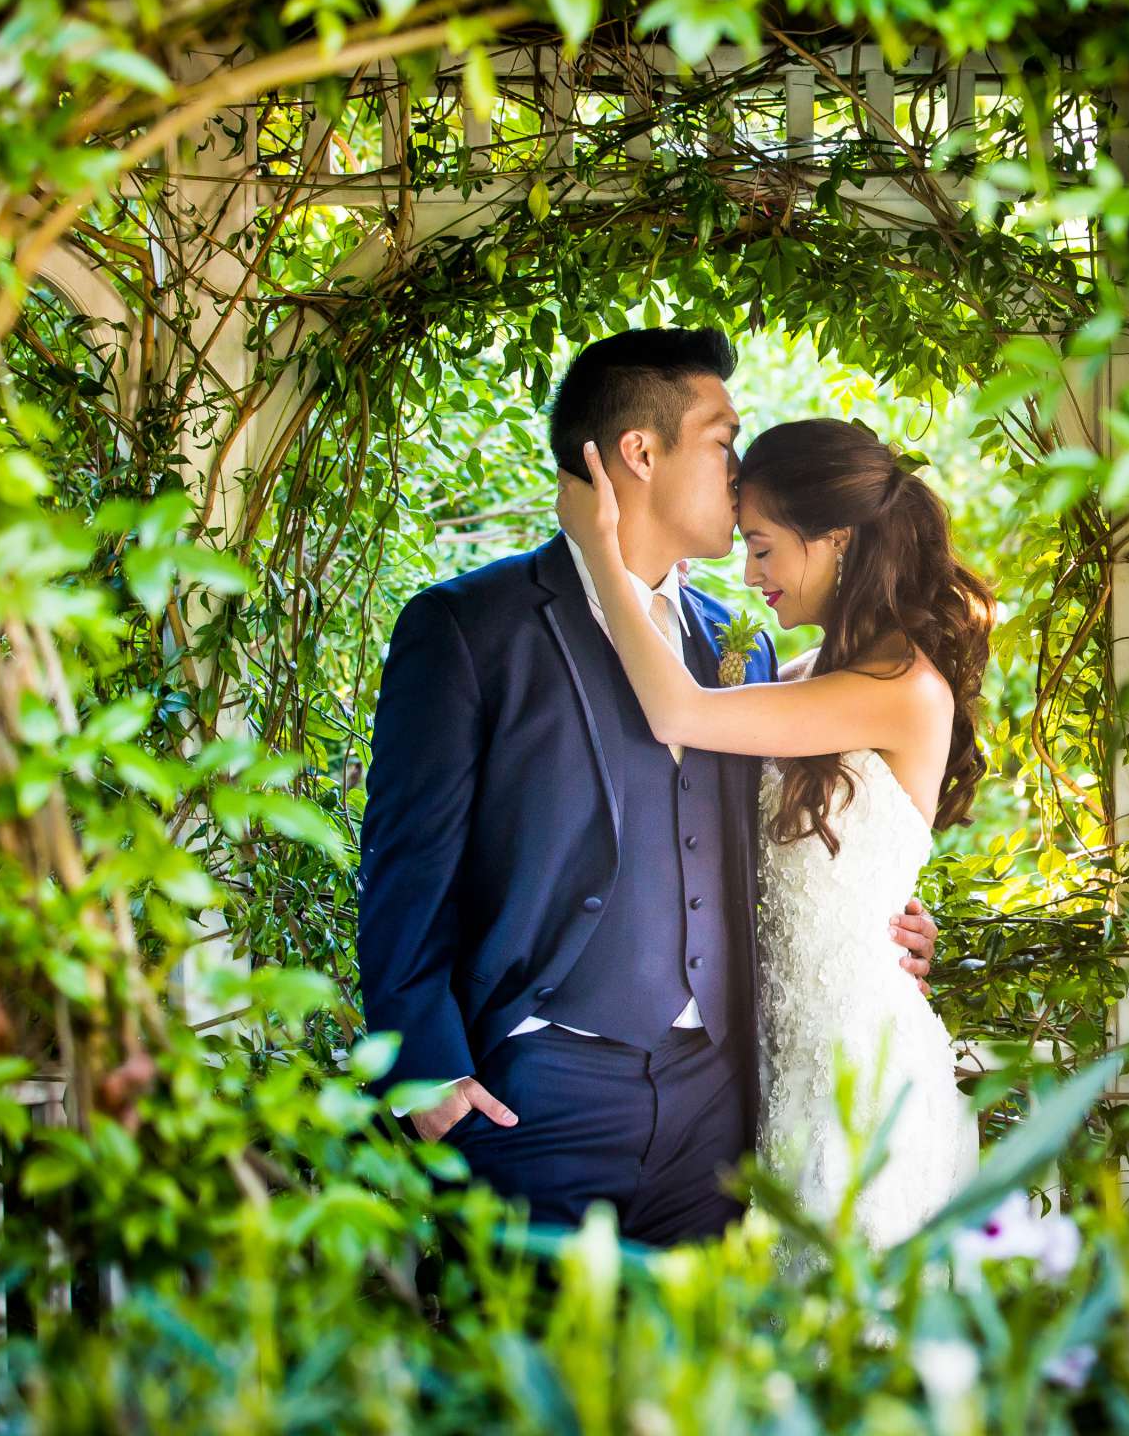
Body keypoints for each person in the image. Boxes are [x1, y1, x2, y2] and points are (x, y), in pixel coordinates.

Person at [355, 328, 940, 1246]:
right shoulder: (470, 627)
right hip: (537, 1092)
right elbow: (403, 863)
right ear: (639, 450)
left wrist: (883, 923)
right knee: (516, 1378)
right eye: (723, 439)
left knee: (681, 1390)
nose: (742, 471)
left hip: (718, 1111)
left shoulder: (735, 644)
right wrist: (422, 1072)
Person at [556, 414, 987, 1246]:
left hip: (859, 1067)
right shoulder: (799, 678)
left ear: (834, 541)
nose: (750, 574)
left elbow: (675, 712)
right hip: (775, 1061)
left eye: (762, 547)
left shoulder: (907, 687)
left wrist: (602, 553)